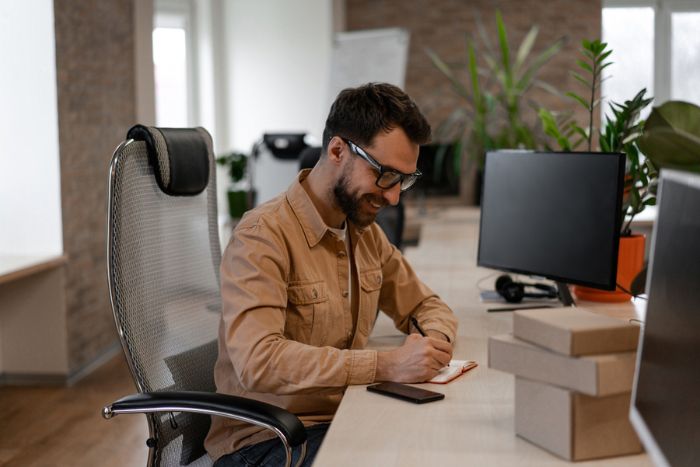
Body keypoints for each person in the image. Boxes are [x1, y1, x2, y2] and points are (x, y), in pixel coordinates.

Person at [206, 83, 458, 466]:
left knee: (439, 444)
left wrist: (430, 346)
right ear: (338, 151)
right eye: (385, 175)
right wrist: (387, 364)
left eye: (404, 179)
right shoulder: (263, 236)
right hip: (268, 440)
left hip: (344, 416)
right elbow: (257, 360)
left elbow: (425, 304)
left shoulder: (364, 233)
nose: (394, 197)